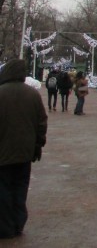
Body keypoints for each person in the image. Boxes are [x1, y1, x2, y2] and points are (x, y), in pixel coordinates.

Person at [0, 59, 48, 239]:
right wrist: (38, 145)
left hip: (2, 153)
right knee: (20, 188)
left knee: (3, 189)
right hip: (25, 152)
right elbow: (41, 122)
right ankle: (18, 223)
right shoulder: (32, 94)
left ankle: (5, 226)